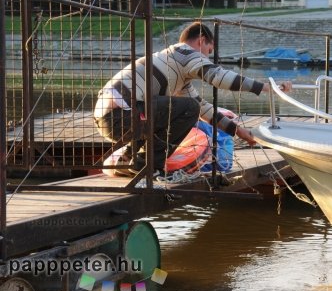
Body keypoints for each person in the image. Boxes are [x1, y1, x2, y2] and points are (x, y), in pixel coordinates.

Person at [94, 22, 292, 177]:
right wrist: (267, 88)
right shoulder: (184, 53)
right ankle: (146, 165)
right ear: (201, 41)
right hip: (121, 116)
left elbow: (203, 110)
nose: (208, 57)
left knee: (186, 108)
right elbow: (219, 77)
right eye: (209, 50)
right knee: (186, 109)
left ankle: (127, 161)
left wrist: (239, 132)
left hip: (111, 118)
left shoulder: (177, 71)